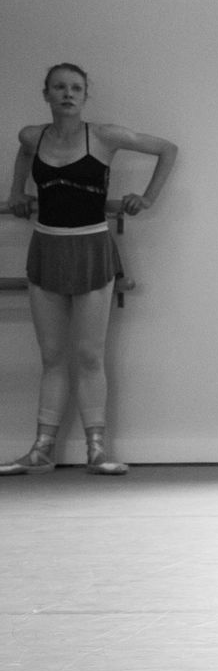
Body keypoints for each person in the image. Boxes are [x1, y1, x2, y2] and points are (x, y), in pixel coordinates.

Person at [3, 63, 177, 476]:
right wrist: (16, 192)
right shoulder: (32, 136)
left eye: (76, 88)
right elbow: (24, 155)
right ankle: (42, 448)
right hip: (46, 247)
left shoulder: (104, 136)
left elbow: (167, 149)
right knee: (52, 356)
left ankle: (97, 449)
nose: (68, 94)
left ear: (85, 95)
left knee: (88, 355)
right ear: (46, 94)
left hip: (92, 247)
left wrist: (148, 198)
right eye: (59, 88)